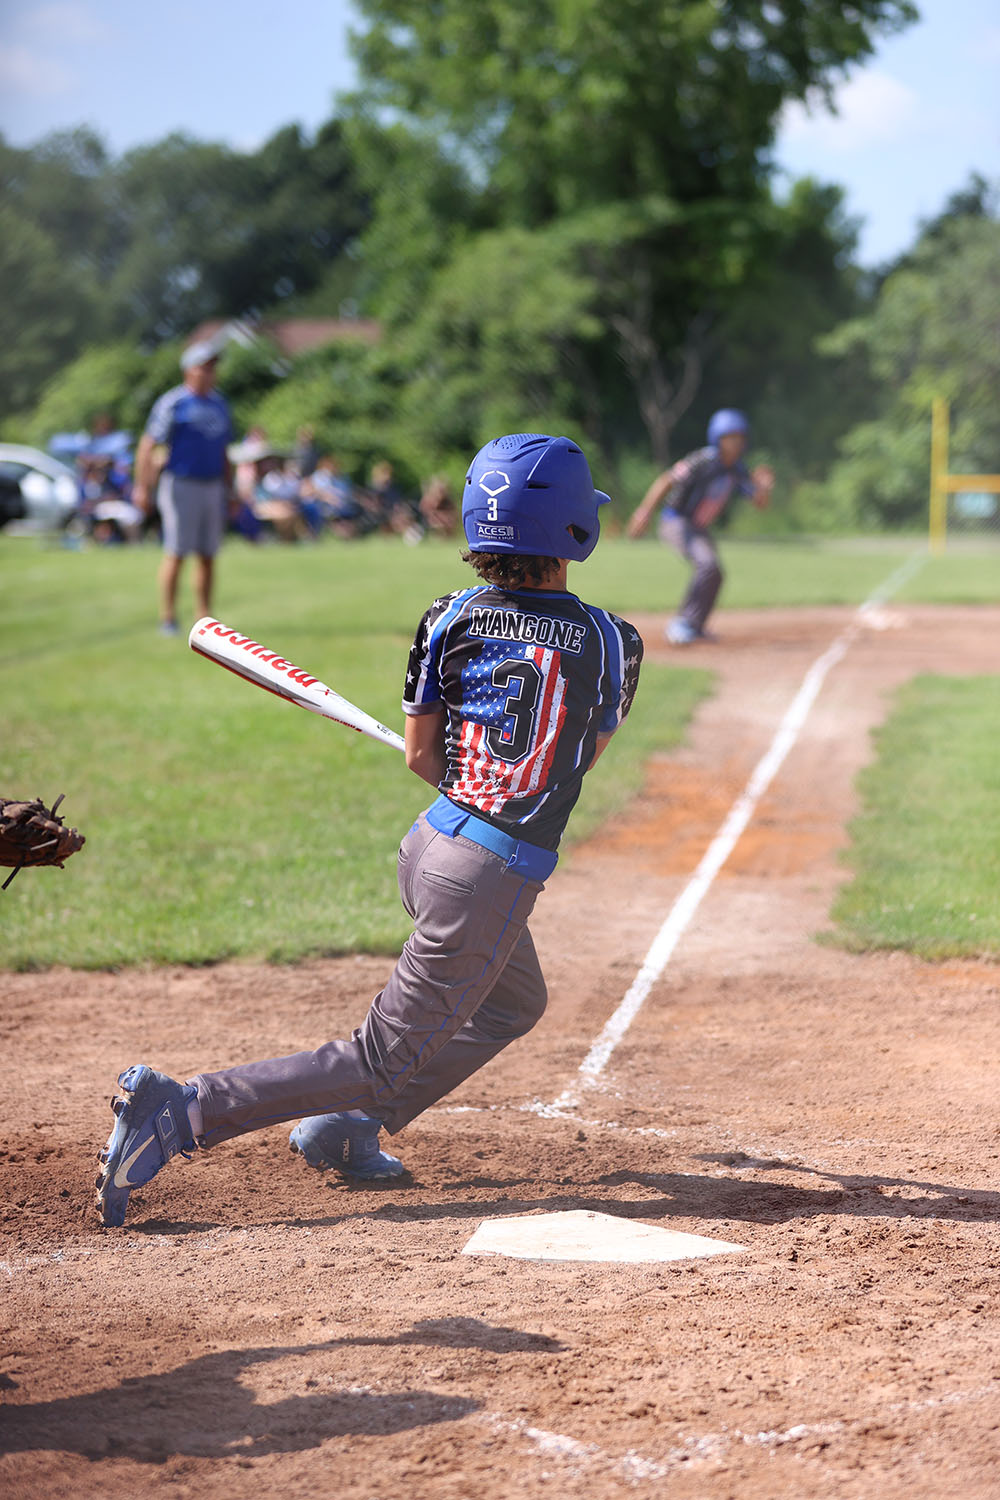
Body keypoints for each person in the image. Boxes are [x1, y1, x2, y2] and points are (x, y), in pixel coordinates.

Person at [95, 432, 644, 1228]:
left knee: (510, 1003)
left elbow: (426, 757)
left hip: (430, 850)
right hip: (487, 876)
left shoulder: (448, 616)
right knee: (375, 1060)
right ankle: (182, 1110)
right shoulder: (611, 642)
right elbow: (573, 762)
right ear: (572, 530)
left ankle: (348, 1128)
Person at [626, 409, 774, 644]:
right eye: (730, 437)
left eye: (740, 437)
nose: (736, 443)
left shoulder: (737, 469)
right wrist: (643, 513)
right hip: (676, 521)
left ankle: (695, 626)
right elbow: (667, 480)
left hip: (697, 527)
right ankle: (681, 624)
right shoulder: (703, 460)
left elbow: (759, 503)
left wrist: (764, 488)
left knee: (715, 573)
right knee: (707, 565)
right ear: (717, 438)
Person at [132, 342, 234, 636]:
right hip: (182, 484)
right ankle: (168, 618)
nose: (210, 372)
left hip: (212, 484)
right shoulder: (174, 402)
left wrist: (231, 489)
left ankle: (205, 620)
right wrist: (142, 486)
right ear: (189, 370)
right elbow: (149, 444)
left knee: (208, 553)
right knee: (177, 551)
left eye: (213, 367)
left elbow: (224, 450)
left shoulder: (219, 403)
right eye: (204, 366)